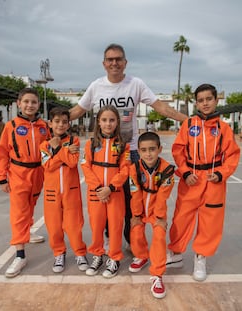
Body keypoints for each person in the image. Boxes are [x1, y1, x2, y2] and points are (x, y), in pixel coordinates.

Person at [69, 43, 187, 247]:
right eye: (110, 59)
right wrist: (49, 125)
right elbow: (76, 111)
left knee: (131, 201)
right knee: (106, 198)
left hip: (130, 153)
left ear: (125, 62)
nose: (114, 63)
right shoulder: (96, 86)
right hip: (103, 155)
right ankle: (107, 240)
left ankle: (131, 240)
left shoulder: (136, 84)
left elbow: (161, 107)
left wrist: (190, 121)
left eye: (118, 59)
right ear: (104, 63)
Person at [166, 84, 241, 282]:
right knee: (181, 218)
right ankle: (175, 254)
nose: (205, 103)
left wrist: (221, 173)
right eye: (201, 100)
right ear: (196, 103)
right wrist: (184, 172)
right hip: (191, 179)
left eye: (209, 99)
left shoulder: (224, 129)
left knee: (210, 222)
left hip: (213, 181)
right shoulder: (189, 125)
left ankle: (201, 257)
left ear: (216, 100)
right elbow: (178, 150)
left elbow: (232, 155)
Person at [0, 87, 49, 278]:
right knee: (18, 212)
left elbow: (50, 148)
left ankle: (28, 231)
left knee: (31, 205)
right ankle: (20, 255)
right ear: (19, 103)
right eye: (26, 101)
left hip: (38, 173)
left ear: (38, 105)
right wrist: (2, 177)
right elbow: (1, 152)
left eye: (33, 102)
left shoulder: (44, 126)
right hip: (18, 173)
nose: (29, 105)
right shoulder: (11, 126)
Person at [81, 105, 131, 278]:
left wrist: (110, 188)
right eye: (104, 120)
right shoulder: (90, 144)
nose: (108, 124)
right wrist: (98, 188)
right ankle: (97, 255)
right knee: (96, 226)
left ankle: (114, 258)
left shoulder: (123, 145)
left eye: (111, 120)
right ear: (98, 122)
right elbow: (86, 167)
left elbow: (125, 170)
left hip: (114, 193)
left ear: (117, 122)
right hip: (95, 194)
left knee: (116, 226)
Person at [39, 107, 88, 273]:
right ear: (50, 124)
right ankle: (59, 253)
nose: (61, 125)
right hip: (52, 193)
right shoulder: (44, 145)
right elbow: (48, 166)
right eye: (57, 121)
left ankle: (80, 253)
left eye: (64, 122)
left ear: (69, 124)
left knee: (74, 225)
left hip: (71, 191)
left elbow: (73, 163)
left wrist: (58, 150)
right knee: (53, 226)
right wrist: (64, 154)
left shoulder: (74, 141)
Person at [128, 131, 175, 299]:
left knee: (159, 237)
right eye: (144, 150)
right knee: (135, 230)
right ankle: (141, 256)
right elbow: (135, 192)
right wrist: (136, 215)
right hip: (141, 208)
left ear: (160, 149)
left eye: (152, 149)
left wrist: (160, 218)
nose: (148, 154)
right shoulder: (133, 168)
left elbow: (163, 196)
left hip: (157, 210)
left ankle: (157, 274)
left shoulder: (167, 170)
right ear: (139, 151)